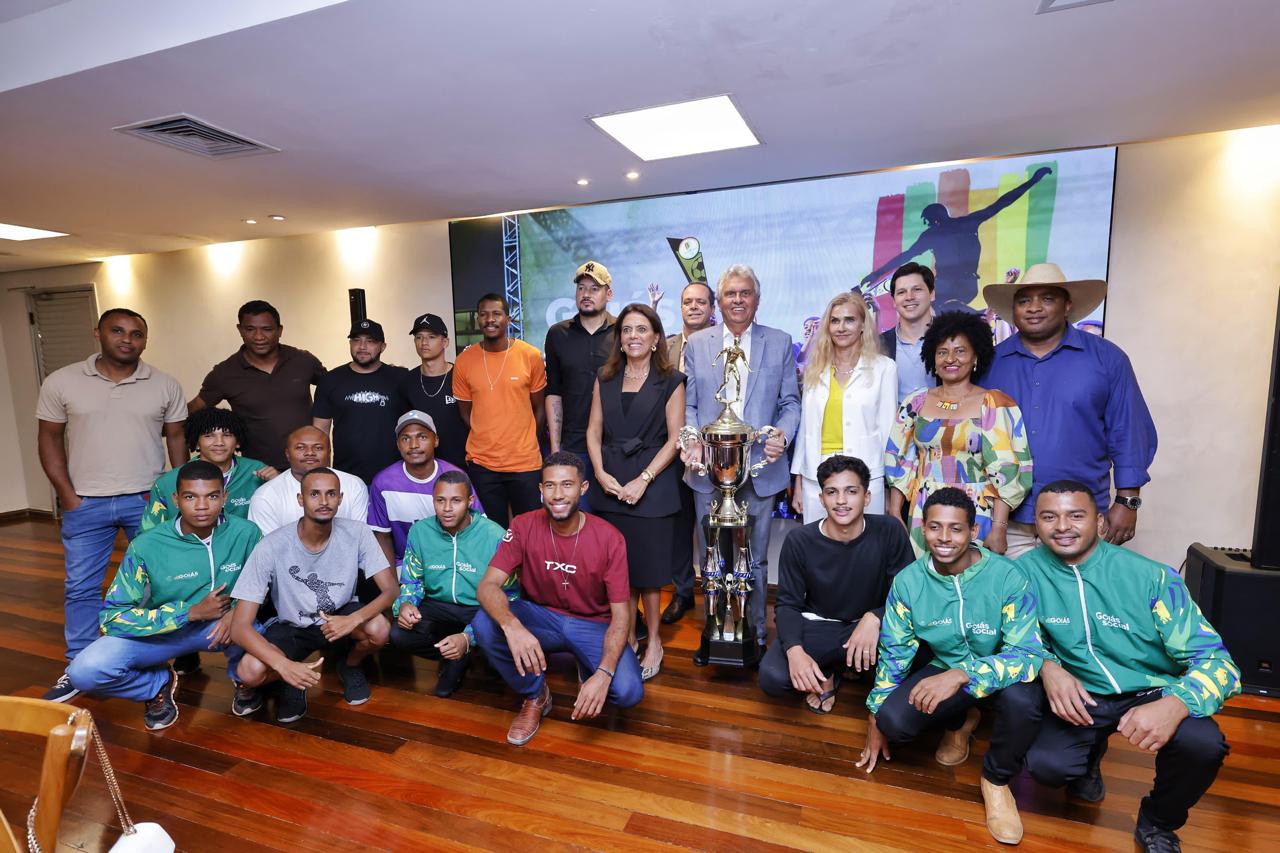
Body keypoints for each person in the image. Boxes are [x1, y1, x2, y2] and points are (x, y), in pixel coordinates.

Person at [1017, 481, 1239, 853]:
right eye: (1049, 517)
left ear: (1100, 523)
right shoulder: (1023, 574)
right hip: (1082, 692)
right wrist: (1046, 666)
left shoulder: (1152, 578)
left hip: (1153, 689)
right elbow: (1013, 636)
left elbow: (1220, 664)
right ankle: (1087, 758)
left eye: (1076, 515)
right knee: (1047, 768)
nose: (1062, 526)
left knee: (1203, 745)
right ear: (1036, 525)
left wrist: (1178, 703)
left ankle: (1158, 823)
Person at [858, 488, 1045, 846]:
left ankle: (997, 782)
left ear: (974, 532)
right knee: (893, 723)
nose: (944, 538)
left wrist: (963, 674)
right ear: (922, 530)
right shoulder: (908, 582)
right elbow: (895, 652)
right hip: (946, 668)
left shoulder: (1007, 576)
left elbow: (1027, 653)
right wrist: (874, 715)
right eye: (934, 528)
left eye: (956, 529)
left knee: (1024, 701)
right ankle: (961, 722)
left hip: (1005, 673)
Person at [37, 308, 188, 701]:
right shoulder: (62, 381)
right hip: (85, 502)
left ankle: (158, 659)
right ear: (98, 333)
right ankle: (78, 664)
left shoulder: (164, 384)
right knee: (82, 588)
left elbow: (176, 441)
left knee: (159, 585)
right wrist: (67, 495)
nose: (127, 340)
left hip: (148, 501)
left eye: (137, 334)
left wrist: (181, 497)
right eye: (118, 331)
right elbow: (50, 439)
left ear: (145, 340)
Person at [64, 461, 262, 729]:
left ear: (224, 497)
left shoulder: (246, 533)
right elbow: (111, 618)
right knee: (84, 672)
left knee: (265, 643)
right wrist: (189, 613)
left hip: (223, 628)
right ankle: (155, 685)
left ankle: (242, 677)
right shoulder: (146, 545)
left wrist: (237, 612)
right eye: (191, 497)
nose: (202, 506)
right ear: (176, 500)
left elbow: (263, 585)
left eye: (212, 496)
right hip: (162, 633)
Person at [981, 263, 1157, 557]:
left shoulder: (1107, 360)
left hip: (1079, 516)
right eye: (1024, 300)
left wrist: (1128, 501)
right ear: (1013, 310)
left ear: (1067, 305)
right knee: (1010, 602)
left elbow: (1128, 431)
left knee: (1077, 601)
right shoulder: (990, 364)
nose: (1034, 308)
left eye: (1047, 299)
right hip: (1005, 520)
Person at [471, 452, 642, 746]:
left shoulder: (609, 538)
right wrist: (513, 627)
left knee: (627, 692)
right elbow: (487, 586)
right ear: (540, 490)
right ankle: (535, 695)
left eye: (567, 485)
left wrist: (603, 673)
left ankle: (586, 664)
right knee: (484, 623)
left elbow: (622, 615)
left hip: (593, 624)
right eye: (549, 486)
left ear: (583, 488)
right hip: (542, 617)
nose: (558, 494)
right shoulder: (524, 525)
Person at [680, 264, 801, 662]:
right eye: (730, 293)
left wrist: (781, 435)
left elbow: (789, 403)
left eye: (744, 293)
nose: (737, 300)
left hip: (761, 469)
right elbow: (692, 404)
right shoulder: (697, 343)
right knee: (713, 556)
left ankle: (754, 634)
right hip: (709, 470)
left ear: (757, 299)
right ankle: (713, 631)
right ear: (719, 301)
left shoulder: (780, 342)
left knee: (758, 555)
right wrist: (695, 441)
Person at [229, 467, 396, 722]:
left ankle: (349, 665)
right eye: (314, 494)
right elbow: (239, 627)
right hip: (292, 625)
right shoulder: (271, 545)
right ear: (301, 499)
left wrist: (353, 619)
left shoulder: (358, 533)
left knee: (379, 629)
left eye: (331, 494)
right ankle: (292, 679)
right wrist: (284, 666)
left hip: (339, 619)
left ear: (340, 499)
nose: (324, 501)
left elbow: (391, 589)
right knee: (249, 671)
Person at [760, 456, 913, 713]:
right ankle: (830, 670)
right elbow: (787, 604)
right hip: (821, 627)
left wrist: (876, 617)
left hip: (870, 630)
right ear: (822, 499)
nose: (841, 501)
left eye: (851, 491)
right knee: (774, 677)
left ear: (866, 497)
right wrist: (795, 652)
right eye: (832, 492)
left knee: (919, 661)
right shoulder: (800, 540)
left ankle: (848, 666)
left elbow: (908, 595)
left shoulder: (889, 531)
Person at [586, 304, 686, 681]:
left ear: (656, 337)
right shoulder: (605, 377)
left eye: (641, 329)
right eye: (626, 330)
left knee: (649, 571)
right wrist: (598, 472)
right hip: (609, 482)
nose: (633, 336)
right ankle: (625, 634)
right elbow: (593, 431)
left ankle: (655, 640)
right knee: (618, 571)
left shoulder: (672, 379)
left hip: (653, 482)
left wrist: (644, 478)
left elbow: (676, 438)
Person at [885, 310, 1032, 557]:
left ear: (976, 356)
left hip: (976, 514)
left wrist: (998, 528)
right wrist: (894, 515)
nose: (950, 358)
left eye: (960, 351)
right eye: (942, 351)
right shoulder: (916, 403)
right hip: (924, 512)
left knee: (973, 585)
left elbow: (1007, 470)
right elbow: (900, 462)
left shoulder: (993, 403)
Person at [860, 167, 1053, 309]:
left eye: (928, 221)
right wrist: (876, 275)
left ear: (934, 219)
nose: (928, 225)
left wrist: (1033, 181)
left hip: (960, 285)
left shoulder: (941, 231)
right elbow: (904, 257)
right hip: (956, 286)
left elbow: (1002, 202)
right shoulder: (959, 225)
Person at [390, 470, 507, 697]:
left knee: (499, 644)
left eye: (456, 501)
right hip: (438, 605)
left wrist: (468, 637)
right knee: (398, 633)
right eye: (440, 500)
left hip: (480, 607)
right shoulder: (420, 531)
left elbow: (510, 594)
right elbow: (412, 579)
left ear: (470, 501)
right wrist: (405, 604)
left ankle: (470, 650)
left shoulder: (494, 535)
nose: (447, 508)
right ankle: (453, 657)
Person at [791, 292, 897, 519]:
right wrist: (798, 479)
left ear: (862, 325)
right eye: (835, 320)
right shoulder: (814, 370)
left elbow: (889, 431)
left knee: (864, 549)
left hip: (866, 475)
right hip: (816, 475)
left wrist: (890, 486)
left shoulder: (884, 368)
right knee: (819, 549)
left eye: (849, 320)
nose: (841, 327)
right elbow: (805, 430)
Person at [190, 300, 326, 470]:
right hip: (258, 470)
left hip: (309, 465)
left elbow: (337, 390)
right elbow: (192, 412)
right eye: (250, 329)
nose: (259, 337)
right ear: (240, 330)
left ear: (280, 330)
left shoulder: (303, 361)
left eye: (267, 329)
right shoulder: (224, 373)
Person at [452, 293, 547, 527]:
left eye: (496, 314)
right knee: (491, 533)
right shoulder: (464, 361)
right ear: (477, 319)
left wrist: (522, 441)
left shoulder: (530, 355)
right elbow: (465, 413)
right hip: (483, 464)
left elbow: (540, 409)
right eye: (483, 314)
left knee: (530, 529)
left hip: (525, 463)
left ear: (508, 318)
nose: (490, 319)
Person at [661, 281, 716, 625]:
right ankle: (682, 592)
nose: (693, 307)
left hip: (709, 452)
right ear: (680, 307)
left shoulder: (722, 345)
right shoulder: (663, 347)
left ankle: (717, 593)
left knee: (711, 527)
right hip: (670, 450)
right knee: (678, 528)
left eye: (700, 302)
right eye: (687, 302)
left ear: (712, 308)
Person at [368, 410, 480, 569]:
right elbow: (382, 537)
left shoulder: (455, 477)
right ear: (398, 444)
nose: (413, 445)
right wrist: (393, 586)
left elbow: (477, 528)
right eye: (405, 438)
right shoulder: (383, 483)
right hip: (406, 566)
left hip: (453, 564)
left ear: (436, 440)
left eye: (422, 437)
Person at [140, 406, 278, 533]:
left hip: (246, 553)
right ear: (197, 443)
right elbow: (148, 533)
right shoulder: (167, 482)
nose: (219, 442)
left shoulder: (257, 471)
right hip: (188, 553)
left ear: (238, 442)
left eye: (227, 435)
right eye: (208, 436)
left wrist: (280, 482)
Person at [545, 261, 617, 502]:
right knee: (577, 524)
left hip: (616, 447)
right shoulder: (558, 334)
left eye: (594, 288)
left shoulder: (623, 332)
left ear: (609, 294)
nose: (586, 294)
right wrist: (556, 450)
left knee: (616, 524)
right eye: (581, 288)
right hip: (574, 447)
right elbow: (554, 393)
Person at [311, 319, 408, 483]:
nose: (362, 347)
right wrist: (323, 476)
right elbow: (320, 434)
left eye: (370, 341)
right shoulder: (330, 380)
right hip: (346, 477)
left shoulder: (400, 379)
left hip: (394, 476)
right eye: (356, 340)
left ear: (382, 347)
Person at [247, 426, 368, 535]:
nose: (310, 453)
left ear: (329, 452)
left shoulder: (354, 485)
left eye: (318, 448)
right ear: (287, 454)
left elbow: (359, 538)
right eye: (300, 448)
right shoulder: (265, 496)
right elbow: (270, 550)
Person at [397, 312, 469, 468]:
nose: (424, 342)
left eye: (431, 337)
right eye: (419, 337)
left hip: (463, 466)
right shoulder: (407, 381)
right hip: (423, 469)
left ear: (445, 342)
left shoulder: (462, 377)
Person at [876, 262, 936, 404]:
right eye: (901, 292)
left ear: (932, 294)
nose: (909, 297)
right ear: (894, 301)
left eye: (917, 289)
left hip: (943, 424)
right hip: (892, 425)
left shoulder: (952, 339)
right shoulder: (877, 345)